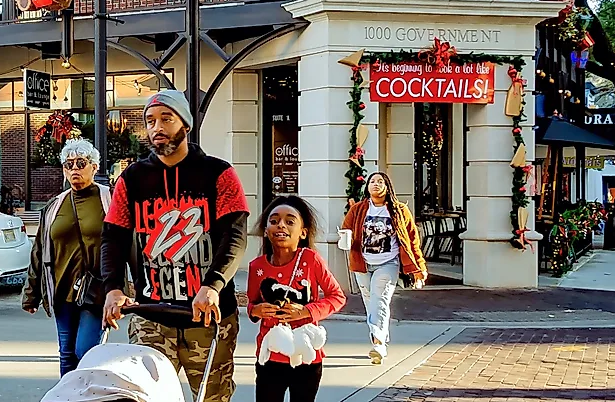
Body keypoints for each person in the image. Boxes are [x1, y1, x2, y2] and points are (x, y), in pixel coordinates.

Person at [102, 89, 249, 402]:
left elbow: (235, 236)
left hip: (208, 317)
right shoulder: (131, 178)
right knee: (145, 398)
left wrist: (213, 284)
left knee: (212, 398)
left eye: (166, 119)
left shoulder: (219, 173)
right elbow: (113, 238)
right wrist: (113, 288)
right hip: (150, 315)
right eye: (150, 121)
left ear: (186, 124)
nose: (157, 127)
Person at [23, 138, 112, 376]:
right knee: (67, 354)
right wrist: (31, 295)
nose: (74, 169)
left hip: (96, 291)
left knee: (85, 350)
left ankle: (89, 392)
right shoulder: (54, 206)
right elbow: (39, 250)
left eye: (81, 163)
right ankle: (68, 393)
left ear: (94, 167)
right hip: (61, 290)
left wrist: (129, 288)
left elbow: (128, 245)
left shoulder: (109, 200)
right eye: (68, 164)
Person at [247, 196, 345, 402]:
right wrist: (256, 310)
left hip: (305, 355)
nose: (281, 225)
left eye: (290, 221)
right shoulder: (257, 266)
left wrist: (307, 311)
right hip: (270, 355)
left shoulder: (311, 259)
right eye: (274, 221)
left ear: (303, 232)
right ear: (266, 230)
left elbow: (336, 297)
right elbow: (252, 303)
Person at [340, 172, 427, 364]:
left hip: (388, 263)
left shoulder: (399, 210)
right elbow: (346, 230)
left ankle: (378, 344)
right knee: (370, 302)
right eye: (372, 181)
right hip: (362, 263)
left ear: (387, 187)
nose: (376, 184)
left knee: (380, 300)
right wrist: (345, 239)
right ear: (367, 187)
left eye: (380, 182)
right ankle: (380, 336)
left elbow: (412, 239)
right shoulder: (358, 209)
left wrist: (419, 266)